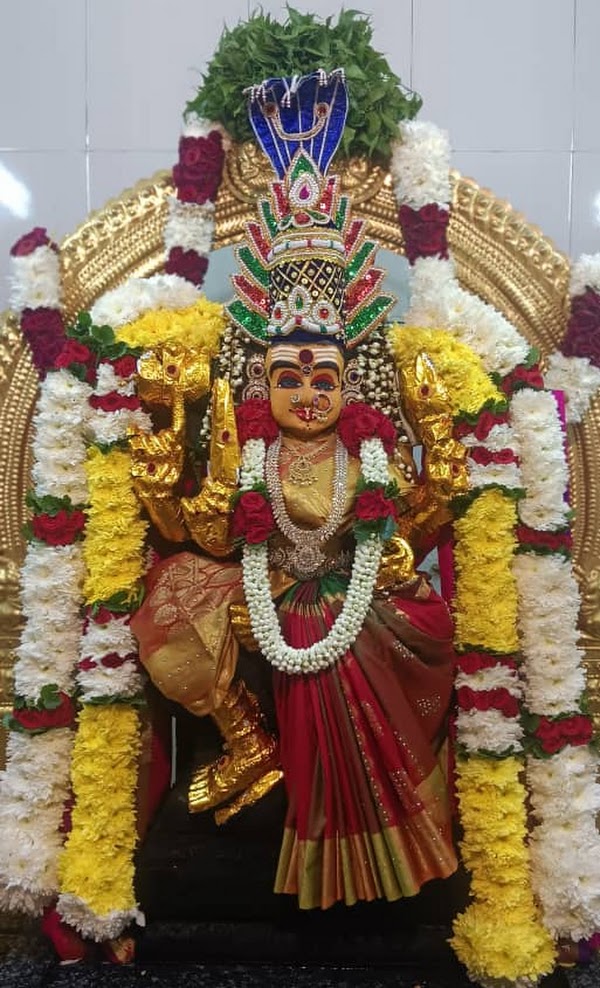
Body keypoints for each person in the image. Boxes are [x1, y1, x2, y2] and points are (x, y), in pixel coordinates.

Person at [131, 69, 460, 909]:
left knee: (396, 622)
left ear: (352, 383)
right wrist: (167, 467)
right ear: (261, 379)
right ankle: (249, 739)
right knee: (170, 597)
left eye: (323, 377)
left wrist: (438, 449)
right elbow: (206, 531)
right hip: (267, 585)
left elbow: (416, 523)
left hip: (352, 593)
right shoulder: (249, 449)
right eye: (289, 376)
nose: (308, 393)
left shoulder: (371, 450)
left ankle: (375, 836)